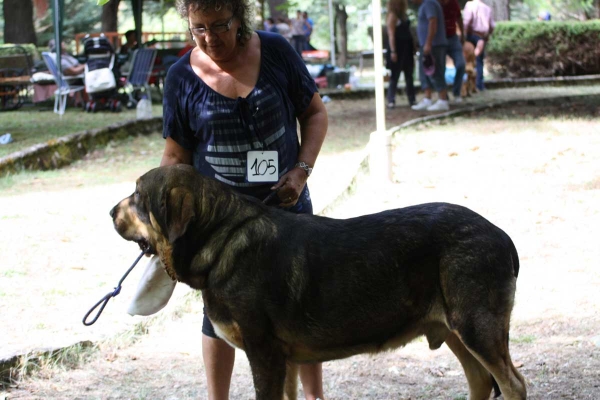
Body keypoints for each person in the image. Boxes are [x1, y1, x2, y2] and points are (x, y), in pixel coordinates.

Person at [162, 0, 328, 399]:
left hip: (287, 211)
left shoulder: (275, 51)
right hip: (220, 229)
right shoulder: (180, 77)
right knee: (217, 314)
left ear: (240, 18)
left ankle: (314, 397)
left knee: (297, 306)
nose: (209, 38)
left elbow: (315, 114)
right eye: (198, 27)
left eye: (219, 25)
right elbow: (175, 156)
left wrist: (302, 170)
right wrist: (161, 211)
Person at [410, 0, 449, 111]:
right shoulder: (426, 4)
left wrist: (428, 43)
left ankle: (442, 100)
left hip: (434, 45)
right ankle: (427, 98)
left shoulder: (429, 3)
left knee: (435, 72)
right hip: (428, 44)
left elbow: (433, 22)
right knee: (425, 72)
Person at [385, 0, 416, 108]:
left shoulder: (404, 16)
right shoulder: (392, 16)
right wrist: (393, 51)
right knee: (395, 76)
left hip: (407, 49)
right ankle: (391, 100)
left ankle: (412, 99)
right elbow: (391, 35)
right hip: (397, 49)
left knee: (409, 75)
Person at [462, 0, 495, 91]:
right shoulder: (487, 8)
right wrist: (487, 36)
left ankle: (466, 86)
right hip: (481, 37)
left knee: (468, 60)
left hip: (470, 35)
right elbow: (492, 26)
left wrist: (463, 36)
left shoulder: (470, 5)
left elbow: (467, 21)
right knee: (479, 61)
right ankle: (479, 85)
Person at [439, 0, 466, 103]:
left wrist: (462, 34)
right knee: (440, 67)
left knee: (461, 64)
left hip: (453, 37)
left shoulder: (453, 3)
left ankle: (456, 92)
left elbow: (459, 18)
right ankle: (443, 94)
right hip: (440, 38)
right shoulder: (436, 4)